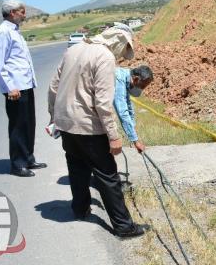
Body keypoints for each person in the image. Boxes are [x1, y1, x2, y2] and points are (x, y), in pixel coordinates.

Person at [48, 26, 148, 238]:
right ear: (118, 41)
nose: (121, 55)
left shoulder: (73, 50)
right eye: (123, 49)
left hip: (67, 125)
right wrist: (113, 136)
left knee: (77, 169)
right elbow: (103, 103)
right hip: (89, 128)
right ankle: (124, 227)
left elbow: (53, 87)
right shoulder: (104, 57)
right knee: (108, 177)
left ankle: (80, 209)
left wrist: (53, 117)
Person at [0, 0, 46, 177]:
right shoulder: (2, 33)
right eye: (22, 11)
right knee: (17, 126)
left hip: (25, 85)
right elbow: (0, 64)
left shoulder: (15, 32)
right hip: (15, 88)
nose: (24, 14)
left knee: (29, 123)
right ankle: (18, 164)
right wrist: (10, 87)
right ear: (12, 12)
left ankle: (28, 158)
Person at [114, 65, 154, 153]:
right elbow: (122, 112)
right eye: (142, 86)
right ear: (135, 79)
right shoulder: (118, 79)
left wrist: (133, 128)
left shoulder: (126, 78)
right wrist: (135, 141)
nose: (142, 89)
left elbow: (128, 106)